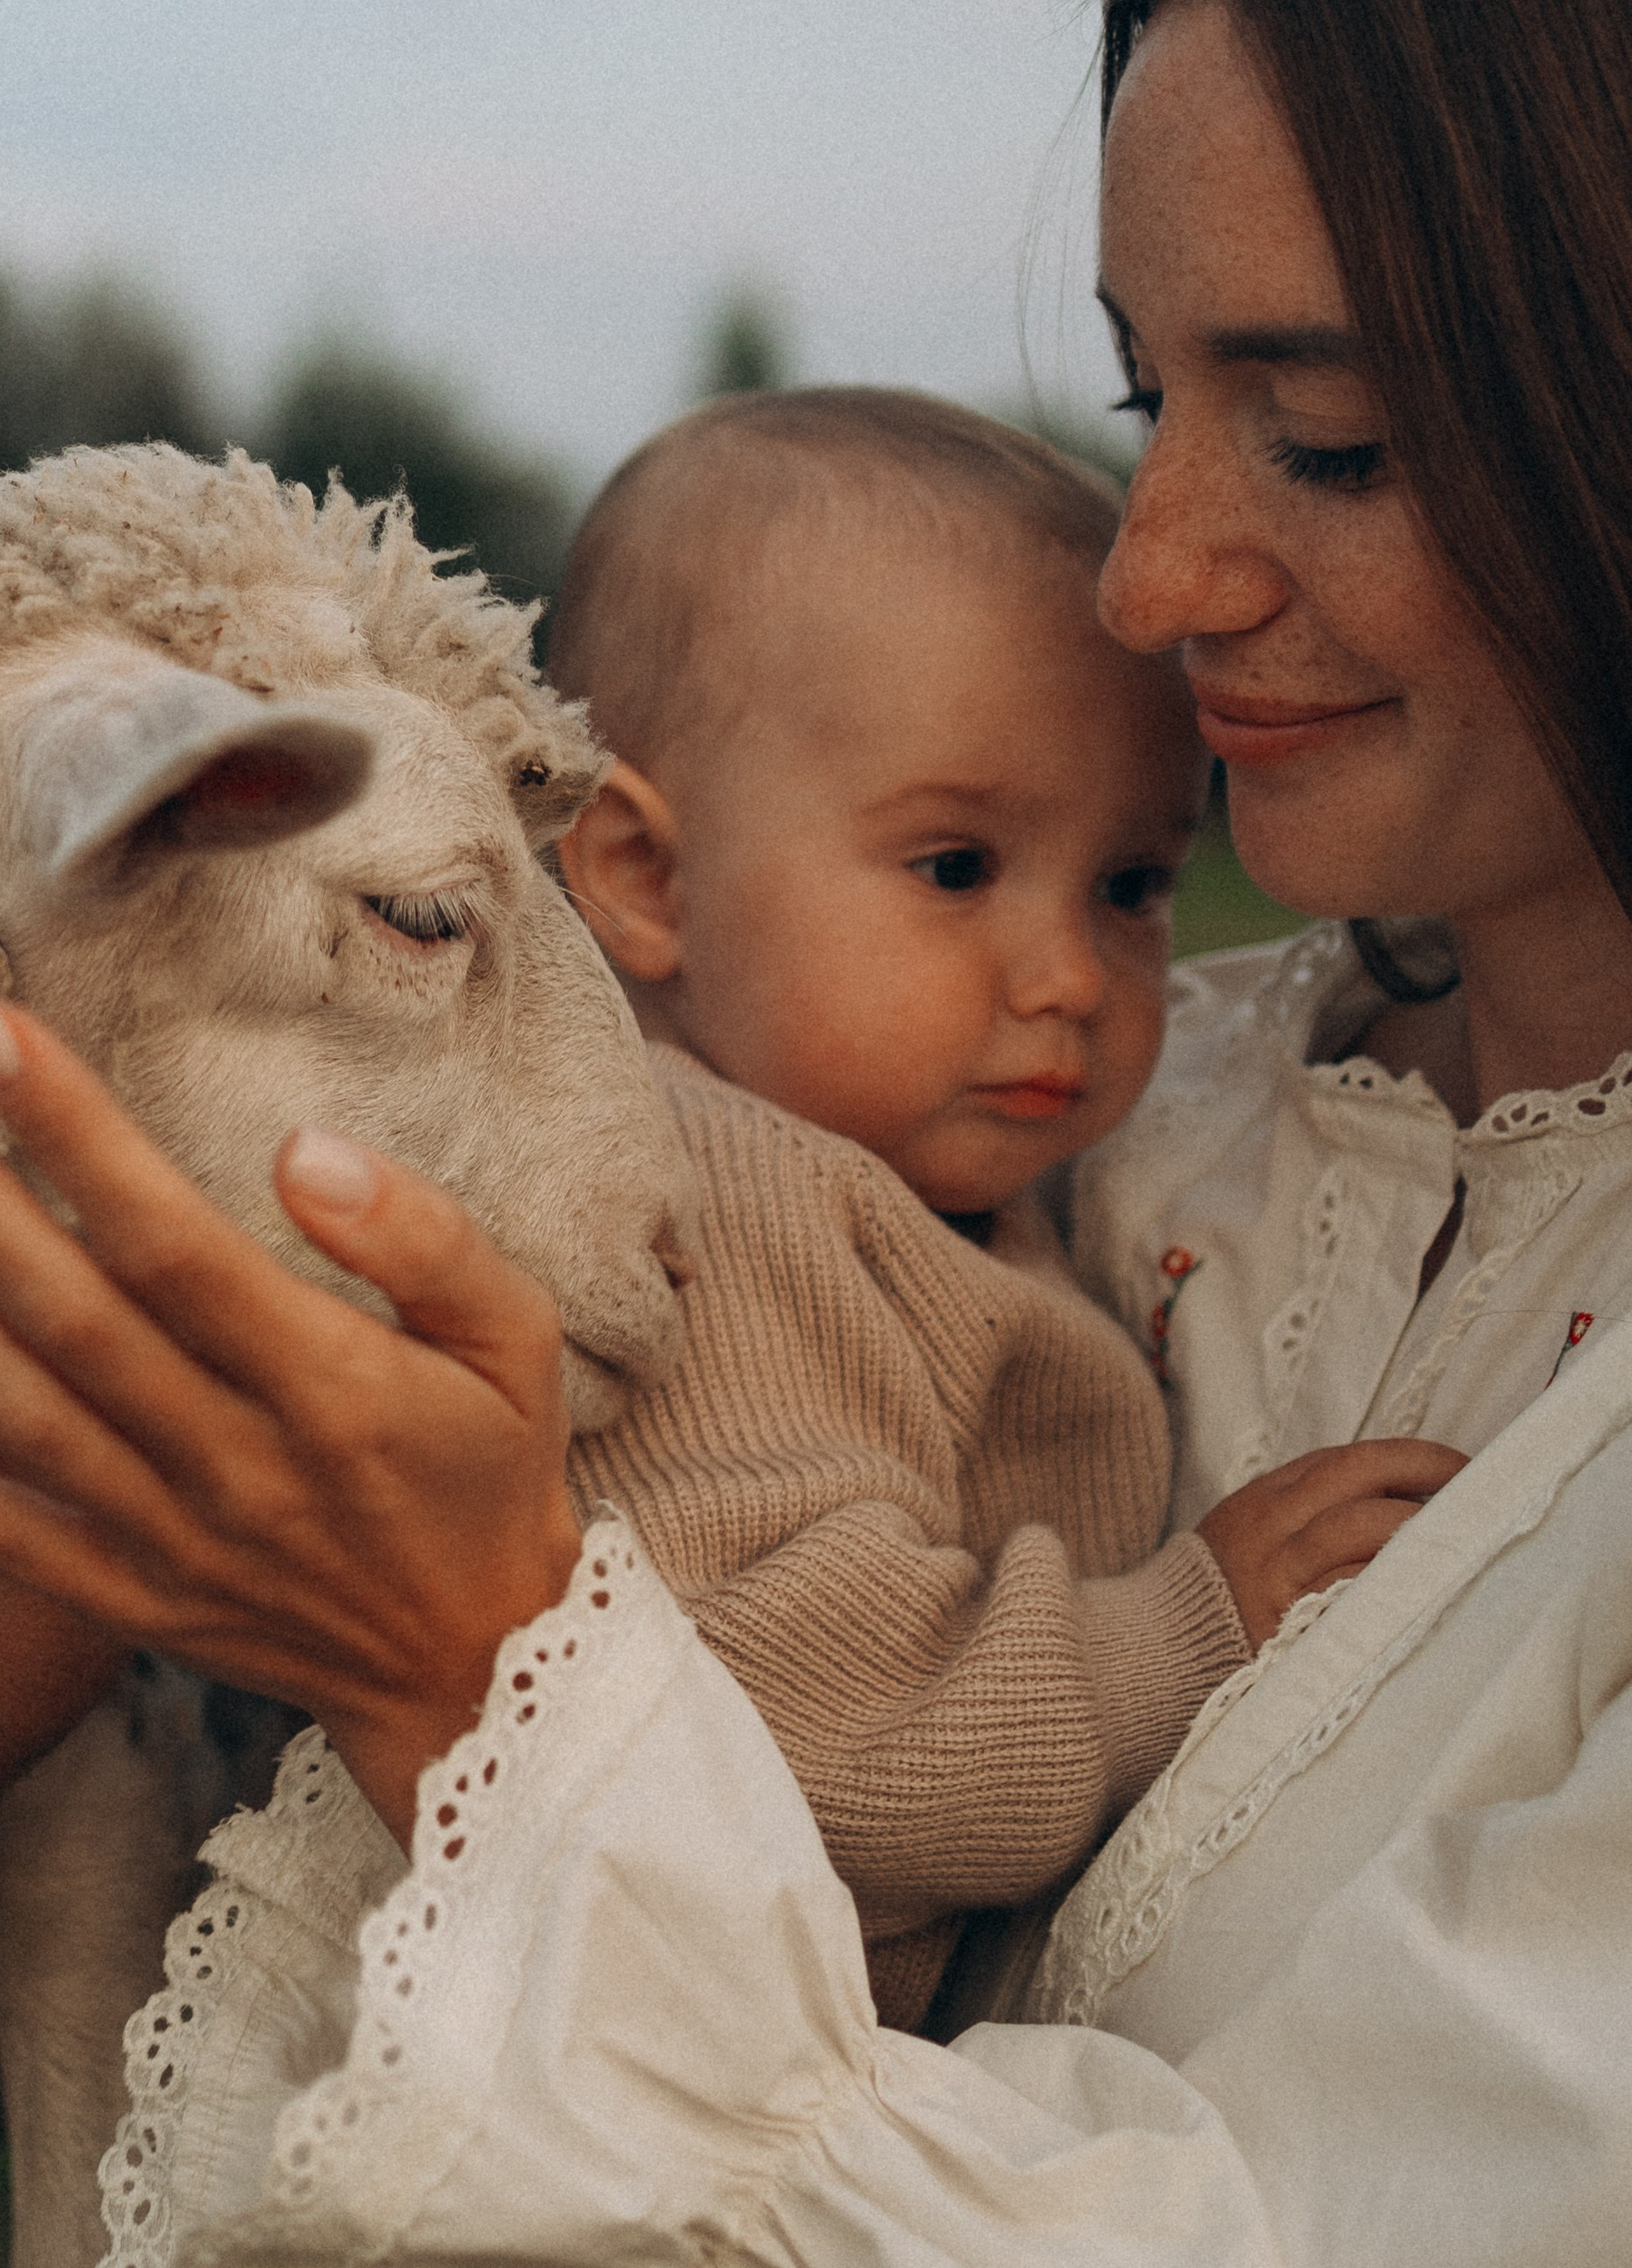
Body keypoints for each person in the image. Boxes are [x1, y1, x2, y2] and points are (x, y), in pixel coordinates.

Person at [0, 0, 1629, 2259]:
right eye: (1147, 394)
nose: (1144, 580)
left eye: (1333, 435)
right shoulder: (1080, 1119)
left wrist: (477, 1683)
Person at [545, 387, 1456, 2026]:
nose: (1066, 979)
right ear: (642, 877)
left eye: (1130, 884)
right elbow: (785, 1715)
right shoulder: (699, 1195)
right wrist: (1186, 1630)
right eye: (956, 866)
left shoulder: (906, 1176)